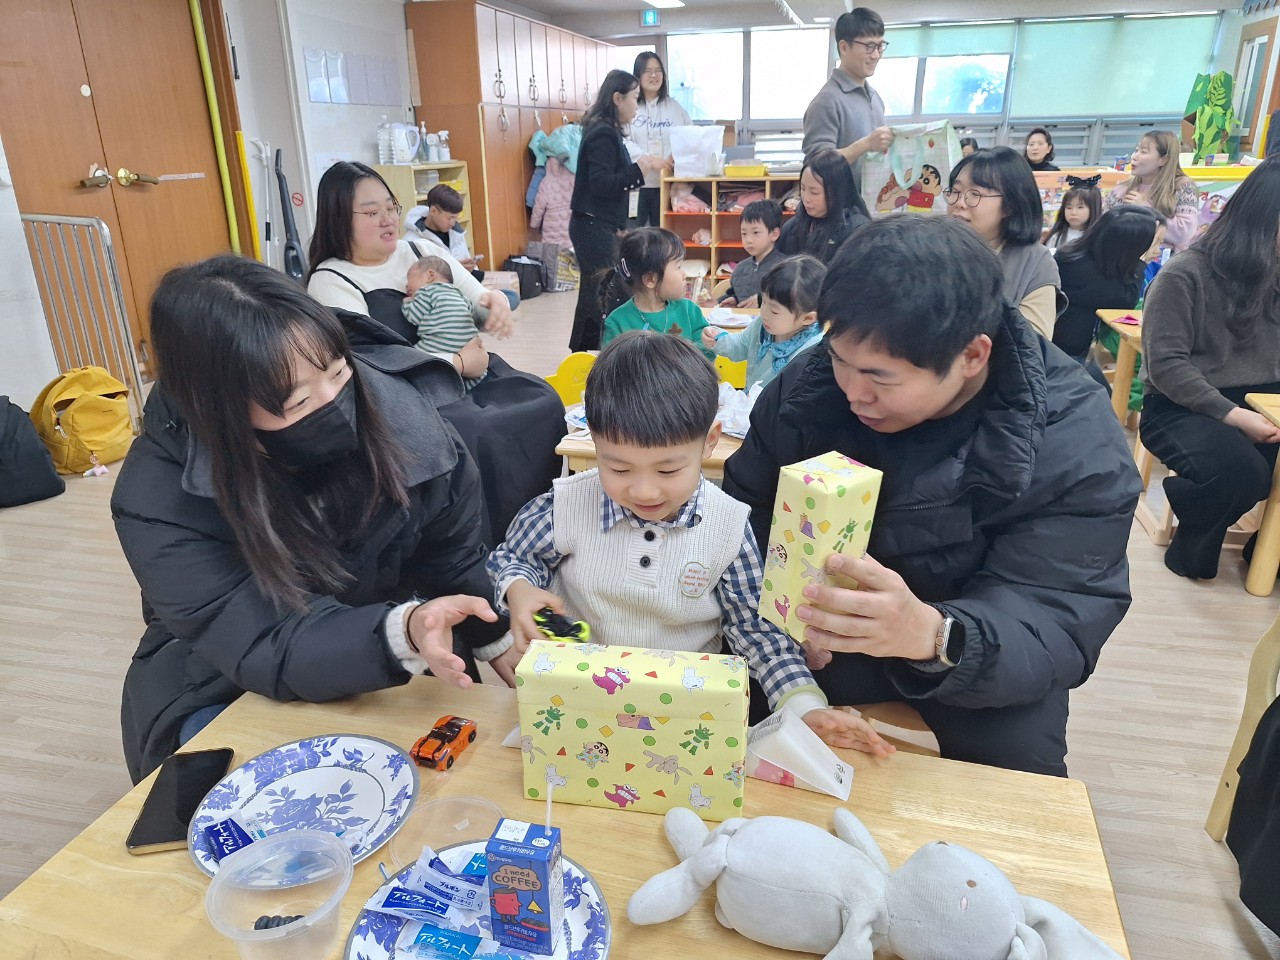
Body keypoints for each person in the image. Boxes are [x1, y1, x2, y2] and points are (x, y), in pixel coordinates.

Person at [723, 216, 1141, 776]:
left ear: (972, 356)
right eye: (840, 359)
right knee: (717, 735)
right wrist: (778, 611)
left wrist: (931, 634)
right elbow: (745, 514)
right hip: (810, 634)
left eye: (881, 378)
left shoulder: (1072, 438)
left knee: (1013, 782)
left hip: (966, 655)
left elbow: (1058, 614)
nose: (853, 392)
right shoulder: (811, 385)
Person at [111, 256, 517, 782]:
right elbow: (262, 640)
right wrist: (399, 631)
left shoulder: (399, 412)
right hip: (228, 678)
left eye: (338, 373)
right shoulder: (159, 498)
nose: (332, 402)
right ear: (218, 409)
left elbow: (451, 550)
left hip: (393, 645)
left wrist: (492, 633)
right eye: (298, 399)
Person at [486, 332, 894, 757]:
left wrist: (804, 706)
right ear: (594, 440)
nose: (644, 491)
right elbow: (512, 557)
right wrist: (519, 589)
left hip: (684, 720)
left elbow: (756, 631)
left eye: (667, 470)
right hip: (578, 702)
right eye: (619, 468)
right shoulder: (566, 505)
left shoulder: (728, 526)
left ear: (710, 440)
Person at [306, 161, 563, 548]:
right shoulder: (332, 279)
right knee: (479, 432)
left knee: (541, 399)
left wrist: (494, 304)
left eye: (391, 207)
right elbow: (372, 366)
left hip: (473, 373)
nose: (387, 219)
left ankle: (547, 526)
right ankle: (489, 545)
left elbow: (477, 296)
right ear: (338, 217)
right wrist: (456, 363)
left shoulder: (419, 250)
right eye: (372, 212)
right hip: (409, 397)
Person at [1139, 157, 1280, 580]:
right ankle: (1191, 545)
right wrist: (1235, 416)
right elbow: (1166, 366)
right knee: (1243, 474)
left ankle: (1267, 551)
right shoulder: (1186, 273)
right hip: (1182, 406)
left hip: (1266, 402)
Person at [569, 69, 667, 351]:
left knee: (597, 289)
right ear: (617, 98)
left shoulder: (606, 131)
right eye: (634, 98)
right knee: (602, 290)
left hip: (598, 223)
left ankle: (588, 350)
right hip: (591, 226)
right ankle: (598, 351)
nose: (637, 105)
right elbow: (601, 184)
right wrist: (638, 170)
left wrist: (619, 224)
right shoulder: (602, 133)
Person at [945, 146, 1061, 340]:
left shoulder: (1034, 262)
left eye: (975, 194)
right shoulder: (934, 248)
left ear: (1010, 204)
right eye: (955, 191)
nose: (959, 202)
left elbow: (1031, 346)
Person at [1052, 206, 1165, 372]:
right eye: (1155, 244)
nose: (1157, 251)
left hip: (1069, 349)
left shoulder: (1088, 255)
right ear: (1130, 246)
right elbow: (1126, 300)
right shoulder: (1081, 269)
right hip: (1060, 355)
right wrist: (1140, 262)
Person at [703, 254, 826, 392]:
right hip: (751, 400)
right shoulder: (763, 326)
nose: (764, 314)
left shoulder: (812, 351)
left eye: (774, 311)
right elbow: (742, 345)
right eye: (764, 303)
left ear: (807, 318)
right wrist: (718, 338)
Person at [802, 7, 894, 183]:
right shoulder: (826, 101)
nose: (876, 55)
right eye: (869, 46)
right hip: (842, 201)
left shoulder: (875, 97)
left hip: (873, 199)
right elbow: (816, 167)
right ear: (844, 47)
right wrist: (866, 144)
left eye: (880, 46)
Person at [601, 227, 711, 358]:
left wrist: (711, 342)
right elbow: (612, 366)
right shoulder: (617, 323)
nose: (684, 274)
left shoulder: (689, 311)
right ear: (650, 279)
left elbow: (708, 355)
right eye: (678, 267)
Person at [1104, 130, 1200, 253]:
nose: (1134, 157)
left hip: (1165, 259)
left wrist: (1146, 209)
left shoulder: (1182, 186)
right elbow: (1104, 229)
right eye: (1136, 150)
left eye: (1143, 152)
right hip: (1122, 257)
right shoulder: (1121, 190)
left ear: (1163, 160)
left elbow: (1183, 234)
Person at [403, 256, 487, 391]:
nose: (406, 285)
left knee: (412, 358)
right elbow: (471, 313)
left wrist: (407, 303)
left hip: (439, 344)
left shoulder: (426, 291)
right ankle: (463, 387)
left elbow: (414, 317)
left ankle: (444, 389)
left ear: (430, 275)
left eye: (409, 279)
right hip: (468, 346)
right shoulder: (460, 294)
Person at [627, 51, 689, 228]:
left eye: (658, 71)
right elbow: (623, 142)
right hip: (637, 185)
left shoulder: (674, 107)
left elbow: (689, 137)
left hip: (666, 185)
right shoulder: (630, 106)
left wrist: (677, 156)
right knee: (633, 235)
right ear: (638, 76)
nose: (654, 75)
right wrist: (649, 160)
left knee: (663, 236)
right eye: (647, 71)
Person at [777, 149, 871, 265]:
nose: (806, 199)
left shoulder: (857, 231)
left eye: (814, 192)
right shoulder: (792, 228)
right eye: (803, 189)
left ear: (837, 192)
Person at [715, 199, 784, 308]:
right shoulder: (740, 268)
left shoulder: (785, 268)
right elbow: (736, 294)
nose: (748, 240)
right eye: (744, 233)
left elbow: (790, 299)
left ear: (774, 234)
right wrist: (720, 303)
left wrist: (763, 299)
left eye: (755, 232)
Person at [1043, 175, 1102, 251]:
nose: (1073, 212)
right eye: (1069, 207)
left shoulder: (1099, 238)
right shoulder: (1056, 237)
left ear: (1093, 208)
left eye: (1080, 207)